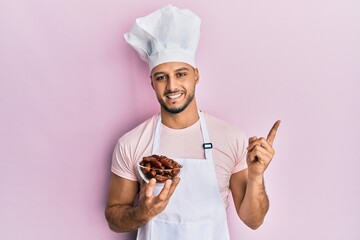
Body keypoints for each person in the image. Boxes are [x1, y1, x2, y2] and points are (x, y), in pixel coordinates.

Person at [105, 5, 281, 240]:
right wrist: (142, 213)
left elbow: (253, 220)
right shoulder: (132, 142)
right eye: (161, 77)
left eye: (180, 74)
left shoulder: (230, 138)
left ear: (196, 75)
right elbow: (114, 218)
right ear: (151, 82)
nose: (171, 86)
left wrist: (257, 175)